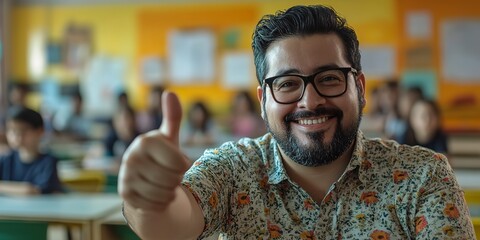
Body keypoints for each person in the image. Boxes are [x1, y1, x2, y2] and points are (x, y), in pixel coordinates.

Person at [118, 5, 474, 239]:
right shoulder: (233, 169)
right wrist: (148, 201)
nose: (310, 100)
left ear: (360, 88)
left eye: (330, 78)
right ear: (263, 101)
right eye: (287, 84)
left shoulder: (424, 176)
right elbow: (169, 225)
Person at [0, 106, 63, 195]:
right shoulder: (5, 160)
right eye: (12, 131)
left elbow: (33, 191)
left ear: (40, 131)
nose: (17, 136)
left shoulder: (47, 162)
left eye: (23, 131)